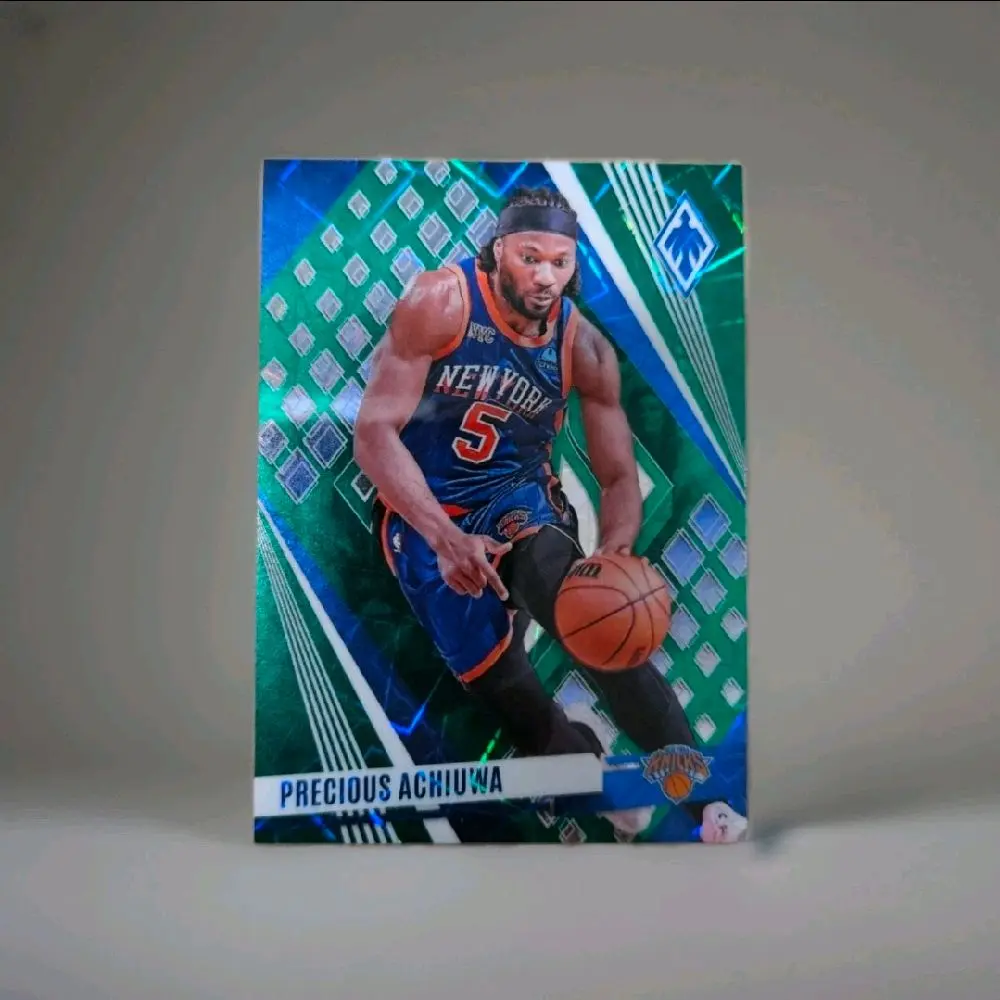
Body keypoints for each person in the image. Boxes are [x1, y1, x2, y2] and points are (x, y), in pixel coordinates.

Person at [354, 185, 746, 843]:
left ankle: (707, 805)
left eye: (560, 262)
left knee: (596, 622)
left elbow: (618, 477)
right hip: (426, 513)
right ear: (499, 249)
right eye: (530, 257)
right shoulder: (441, 301)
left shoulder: (582, 347)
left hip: (517, 501)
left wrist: (615, 554)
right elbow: (372, 435)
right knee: (514, 698)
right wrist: (445, 537)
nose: (544, 276)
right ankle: (592, 777)